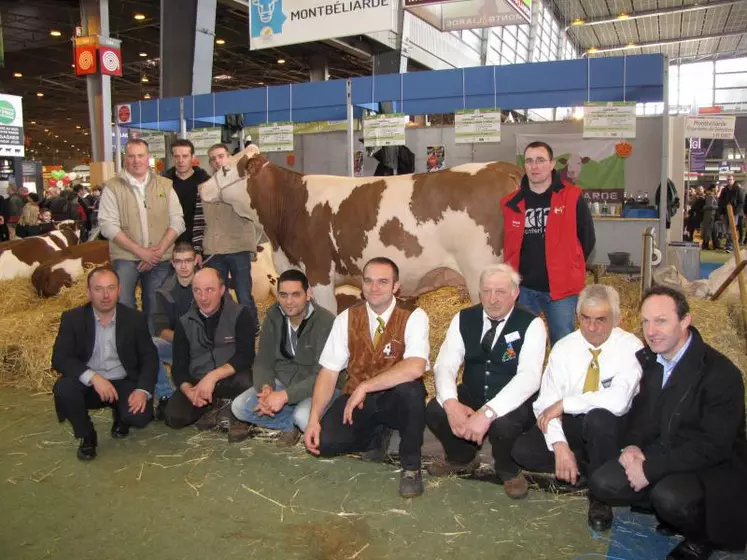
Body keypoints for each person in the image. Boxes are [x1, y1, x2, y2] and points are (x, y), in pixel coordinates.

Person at [590, 286, 747, 560]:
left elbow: (714, 446)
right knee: (603, 482)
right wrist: (632, 445)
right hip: (660, 450)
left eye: (661, 320)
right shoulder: (652, 360)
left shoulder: (721, 374)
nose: (651, 331)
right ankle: (667, 511)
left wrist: (649, 469)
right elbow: (640, 412)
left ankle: (701, 539)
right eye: (646, 321)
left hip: (707, 465)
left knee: (670, 497)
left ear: (685, 321)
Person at [511, 284, 643, 531]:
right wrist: (560, 446)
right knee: (522, 451)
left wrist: (566, 403)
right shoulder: (564, 347)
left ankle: (599, 496)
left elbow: (618, 401)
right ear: (577, 316)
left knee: (598, 419)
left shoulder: (631, 347)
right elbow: (545, 403)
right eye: (585, 318)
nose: (591, 328)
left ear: (617, 319)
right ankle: (588, 466)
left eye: (601, 320)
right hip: (574, 423)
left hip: (613, 425)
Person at [304, 257, 430, 499]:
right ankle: (376, 437)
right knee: (324, 443)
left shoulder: (414, 315)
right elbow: (329, 372)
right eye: (369, 281)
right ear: (361, 284)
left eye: (383, 282)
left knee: (412, 391)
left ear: (396, 286)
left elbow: (415, 366)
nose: (374, 288)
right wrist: (313, 419)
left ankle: (411, 466)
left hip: (395, 398)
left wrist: (366, 386)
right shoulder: (346, 318)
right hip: (358, 400)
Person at [426, 264, 547, 499]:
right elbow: (445, 364)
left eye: (500, 292)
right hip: (474, 391)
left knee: (504, 426)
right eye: (486, 291)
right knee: (434, 410)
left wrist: (488, 413)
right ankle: (461, 457)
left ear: (515, 293)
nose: (492, 299)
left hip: (514, 400)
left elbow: (529, 377)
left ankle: (507, 468)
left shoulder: (532, 324)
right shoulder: (463, 318)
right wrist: (451, 405)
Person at [51, 267, 158, 461]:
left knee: (139, 418)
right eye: (98, 289)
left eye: (111, 288)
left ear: (119, 291)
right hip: (90, 385)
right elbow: (60, 357)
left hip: (123, 381)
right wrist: (93, 377)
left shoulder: (135, 318)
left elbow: (149, 356)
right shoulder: (72, 319)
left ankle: (121, 415)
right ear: (88, 292)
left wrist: (143, 390)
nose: (105, 295)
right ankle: (87, 435)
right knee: (64, 389)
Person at [501, 141, 596, 345]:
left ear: (552, 164)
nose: (535, 166)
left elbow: (587, 238)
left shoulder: (572, 197)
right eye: (529, 161)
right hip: (523, 290)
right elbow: (506, 243)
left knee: (563, 344)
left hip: (561, 292)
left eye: (540, 160)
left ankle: (562, 379)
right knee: (518, 343)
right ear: (524, 165)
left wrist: (571, 265)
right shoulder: (510, 203)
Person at [231, 269, 336, 446]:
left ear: (308, 294)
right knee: (239, 407)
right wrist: (266, 388)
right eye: (283, 295)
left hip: (317, 386)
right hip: (283, 382)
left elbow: (323, 375)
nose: (289, 301)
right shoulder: (273, 315)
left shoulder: (326, 321)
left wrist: (285, 396)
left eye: (296, 294)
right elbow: (263, 359)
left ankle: (298, 420)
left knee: (303, 417)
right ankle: (289, 425)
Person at [98, 139, 185, 333]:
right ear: (125, 159)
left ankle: (153, 351)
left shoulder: (165, 185)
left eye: (140, 156)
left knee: (155, 307)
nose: (136, 161)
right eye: (131, 156)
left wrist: (158, 251)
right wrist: (140, 252)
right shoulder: (112, 187)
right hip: (126, 258)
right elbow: (107, 226)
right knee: (124, 303)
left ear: (148, 158)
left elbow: (177, 221)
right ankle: (129, 345)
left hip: (159, 258)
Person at [164, 267, 254, 443]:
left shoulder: (240, 314)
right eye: (197, 290)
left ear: (222, 290)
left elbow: (246, 355)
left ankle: (238, 413)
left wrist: (212, 377)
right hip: (199, 383)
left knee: (249, 381)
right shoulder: (184, 322)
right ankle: (217, 406)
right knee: (174, 417)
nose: (203, 297)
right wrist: (187, 390)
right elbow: (179, 366)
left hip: (232, 378)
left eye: (209, 290)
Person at [202, 143, 262, 332]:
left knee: (244, 293)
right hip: (215, 248)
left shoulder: (244, 184)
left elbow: (255, 216)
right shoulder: (206, 187)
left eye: (221, 156)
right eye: (213, 158)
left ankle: (251, 327)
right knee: (219, 293)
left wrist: (252, 245)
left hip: (239, 247)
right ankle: (224, 328)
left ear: (229, 157)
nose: (217, 161)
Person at [151, 241, 199, 419]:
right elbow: (161, 330)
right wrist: (186, 340)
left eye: (188, 260)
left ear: (196, 261)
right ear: (172, 263)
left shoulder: (210, 285)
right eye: (179, 261)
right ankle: (165, 395)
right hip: (179, 346)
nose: (184, 266)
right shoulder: (164, 291)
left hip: (208, 348)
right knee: (149, 345)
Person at [162, 139, 210, 266]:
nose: (180, 160)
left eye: (185, 156)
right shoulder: (163, 183)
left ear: (193, 157)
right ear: (172, 158)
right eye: (177, 156)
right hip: (169, 246)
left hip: (199, 246)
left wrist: (199, 249)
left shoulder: (205, 183)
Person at [700, 184, 719, 250]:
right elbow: (709, 206)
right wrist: (717, 207)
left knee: (713, 230)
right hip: (709, 215)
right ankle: (705, 245)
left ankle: (715, 245)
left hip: (711, 215)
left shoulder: (712, 195)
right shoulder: (710, 196)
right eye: (716, 187)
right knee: (708, 231)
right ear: (713, 188)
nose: (717, 189)